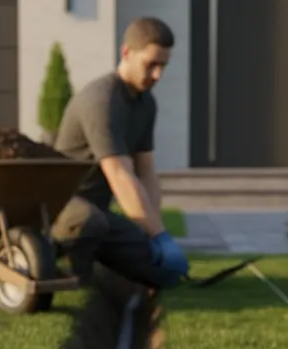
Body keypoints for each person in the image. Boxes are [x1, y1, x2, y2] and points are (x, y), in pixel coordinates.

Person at [51, 16, 188, 290]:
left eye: (163, 66)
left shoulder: (145, 103)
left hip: (99, 212)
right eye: (151, 64)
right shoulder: (102, 100)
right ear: (126, 52)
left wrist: (154, 233)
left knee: (162, 274)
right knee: (89, 221)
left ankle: (109, 267)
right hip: (61, 207)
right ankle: (74, 274)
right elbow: (120, 176)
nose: (158, 75)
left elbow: (146, 171)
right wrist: (159, 236)